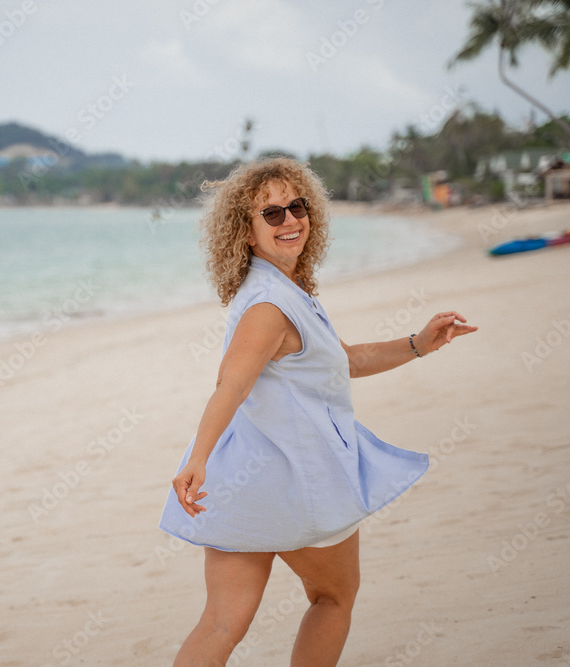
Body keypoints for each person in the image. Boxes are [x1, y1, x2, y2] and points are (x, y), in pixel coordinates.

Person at [158, 157, 478, 666]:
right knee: (333, 598)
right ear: (245, 232)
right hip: (297, 480)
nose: (290, 220)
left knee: (220, 623)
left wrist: (418, 342)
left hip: (239, 480)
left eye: (297, 206)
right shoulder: (269, 305)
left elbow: (346, 360)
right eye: (272, 213)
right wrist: (195, 458)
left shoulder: (280, 290)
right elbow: (231, 385)